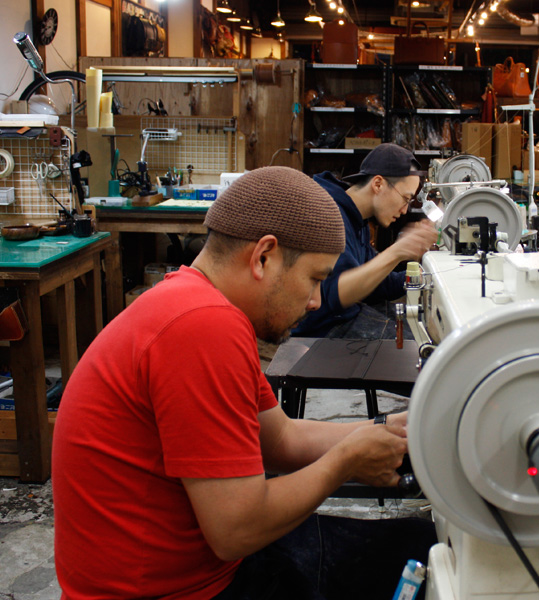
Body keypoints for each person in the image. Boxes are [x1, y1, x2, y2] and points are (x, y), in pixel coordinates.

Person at [52, 166, 435, 600]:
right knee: (423, 563)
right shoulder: (202, 327)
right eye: (314, 279)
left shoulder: (194, 302)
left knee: (413, 546)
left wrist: (392, 431)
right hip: (179, 589)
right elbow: (236, 530)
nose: (315, 301)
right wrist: (344, 461)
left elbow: (282, 439)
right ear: (264, 256)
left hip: (194, 567)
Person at [292, 144, 438, 339]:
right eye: (405, 199)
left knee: (422, 324)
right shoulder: (329, 215)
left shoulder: (357, 219)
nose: (404, 210)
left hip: (344, 314)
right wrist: (396, 252)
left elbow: (374, 282)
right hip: (321, 328)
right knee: (418, 345)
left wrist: (422, 276)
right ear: (378, 184)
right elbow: (335, 295)